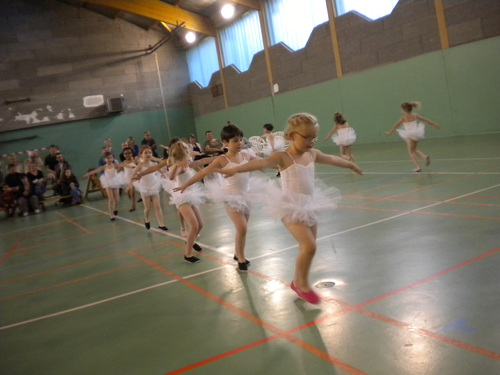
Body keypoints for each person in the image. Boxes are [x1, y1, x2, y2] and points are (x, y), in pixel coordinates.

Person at [220, 113, 363, 303]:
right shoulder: (283, 156)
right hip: (290, 208)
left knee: (309, 247)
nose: (311, 141)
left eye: (314, 137)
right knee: (309, 246)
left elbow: (331, 158)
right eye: (307, 137)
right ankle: (302, 285)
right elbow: (260, 162)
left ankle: (297, 282)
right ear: (291, 136)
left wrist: (350, 164)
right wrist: (234, 169)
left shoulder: (312, 154)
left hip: (310, 206)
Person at [174, 124, 263, 271]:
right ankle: (241, 259)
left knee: (243, 228)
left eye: (241, 140)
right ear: (225, 143)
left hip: (246, 195)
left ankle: (237, 253)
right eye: (235, 140)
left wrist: (280, 162)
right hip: (231, 198)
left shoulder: (246, 155)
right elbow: (202, 173)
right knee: (242, 227)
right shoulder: (222, 159)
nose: (240, 143)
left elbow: (261, 161)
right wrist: (185, 185)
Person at [137, 141, 215, 263]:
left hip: (191, 194)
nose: (189, 155)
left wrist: (221, 157)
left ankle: (190, 240)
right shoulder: (176, 165)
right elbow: (171, 177)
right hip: (181, 197)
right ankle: (188, 255)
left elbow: (201, 162)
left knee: (200, 225)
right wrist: (177, 166)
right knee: (194, 225)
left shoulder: (188, 163)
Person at [385, 102, 441, 172]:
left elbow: (395, 126)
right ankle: (425, 156)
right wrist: (434, 124)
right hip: (417, 133)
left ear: (404, 110)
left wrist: (390, 132)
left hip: (410, 135)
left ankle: (418, 167)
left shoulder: (403, 118)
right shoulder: (415, 115)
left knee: (411, 152)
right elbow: (425, 119)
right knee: (414, 150)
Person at [128, 145, 168, 231]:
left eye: (150, 152)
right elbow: (132, 175)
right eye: (145, 153)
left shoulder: (154, 164)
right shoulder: (140, 165)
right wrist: (130, 184)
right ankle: (146, 219)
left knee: (157, 206)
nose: (148, 154)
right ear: (141, 154)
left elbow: (161, 172)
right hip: (144, 187)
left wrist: (166, 177)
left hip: (154, 186)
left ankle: (161, 224)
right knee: (148, 207)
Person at [83, 151, 123, 220]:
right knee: (111, 199)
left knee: (117, 199)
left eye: (110, 158)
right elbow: (95, 171)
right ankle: (111, 215)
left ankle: (115, 208)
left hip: (115, 182)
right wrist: (87, 174)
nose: (109, 159)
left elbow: (123, 165)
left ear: (113, 158)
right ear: (104, 159)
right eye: (107, 158)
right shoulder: (103, 167)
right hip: (107, 182)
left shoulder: (115, 166)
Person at [119, 147, 138, 212]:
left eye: (129, 153)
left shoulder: (135, 160)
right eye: (126, 154)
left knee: (132, 192)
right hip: (127, 179)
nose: (127, 155)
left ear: (132, 153)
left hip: (134, 178)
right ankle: (133, 202)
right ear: (123, 155)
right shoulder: (123, 163)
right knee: (128, 193)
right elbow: (118, 169)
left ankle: (133, 206)